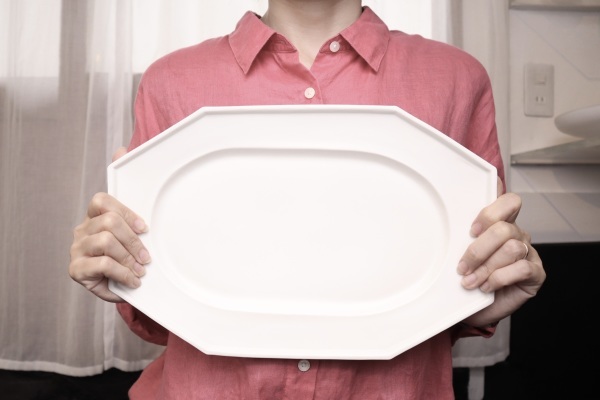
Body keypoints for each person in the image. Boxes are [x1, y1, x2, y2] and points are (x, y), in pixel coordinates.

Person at [68, 1, 546, 398]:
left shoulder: (456, 79)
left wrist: (485, 292)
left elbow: (454, 283)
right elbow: (161, 310)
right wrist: (121, 274)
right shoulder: (171, 81)